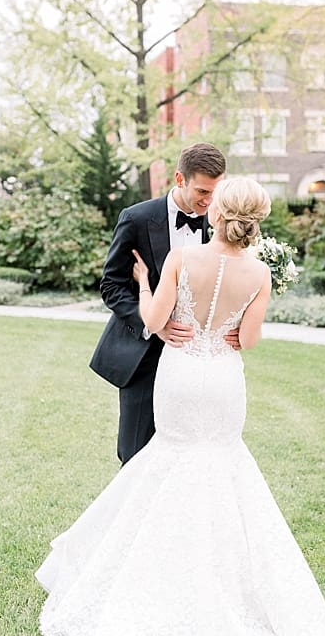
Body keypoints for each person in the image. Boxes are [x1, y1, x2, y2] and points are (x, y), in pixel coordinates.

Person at [37, 177, 325, 636]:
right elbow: (251, 340)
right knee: (223, 470)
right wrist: (231, 328)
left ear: (218, 212)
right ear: (257, 218)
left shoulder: (184, 259)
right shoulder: (261, 273)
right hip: (223, 383)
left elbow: (156, 322)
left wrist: (144, 281)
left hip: (183, 375)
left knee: (167, 462)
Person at [89, 143, 234, 465]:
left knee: (193, 450)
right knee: (136, 450)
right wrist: (154, 324)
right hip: (144, 355)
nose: (209, 202)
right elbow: (112, 286)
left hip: (198, 358)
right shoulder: (137, 218)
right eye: (202, 191)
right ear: (179, 178)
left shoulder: (220, 223)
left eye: (216, 192)